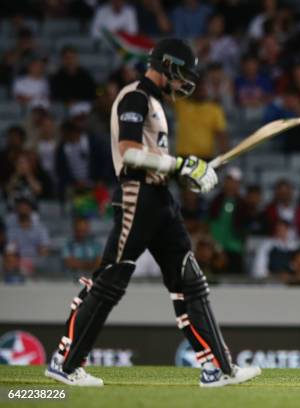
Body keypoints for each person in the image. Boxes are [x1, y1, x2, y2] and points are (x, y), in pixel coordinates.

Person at [44, 38, 260, 387]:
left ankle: (219, 368)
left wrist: (185, 174)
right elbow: (129, 152)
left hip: (160, 198)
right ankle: (64, 362)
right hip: (137, 195)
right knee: (109, 282)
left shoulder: (156, 102)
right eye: (183, 73)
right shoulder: (135, 96)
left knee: (190, 281)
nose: (186, 81)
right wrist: (180, 164)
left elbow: (158, 161)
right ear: (168, 65)